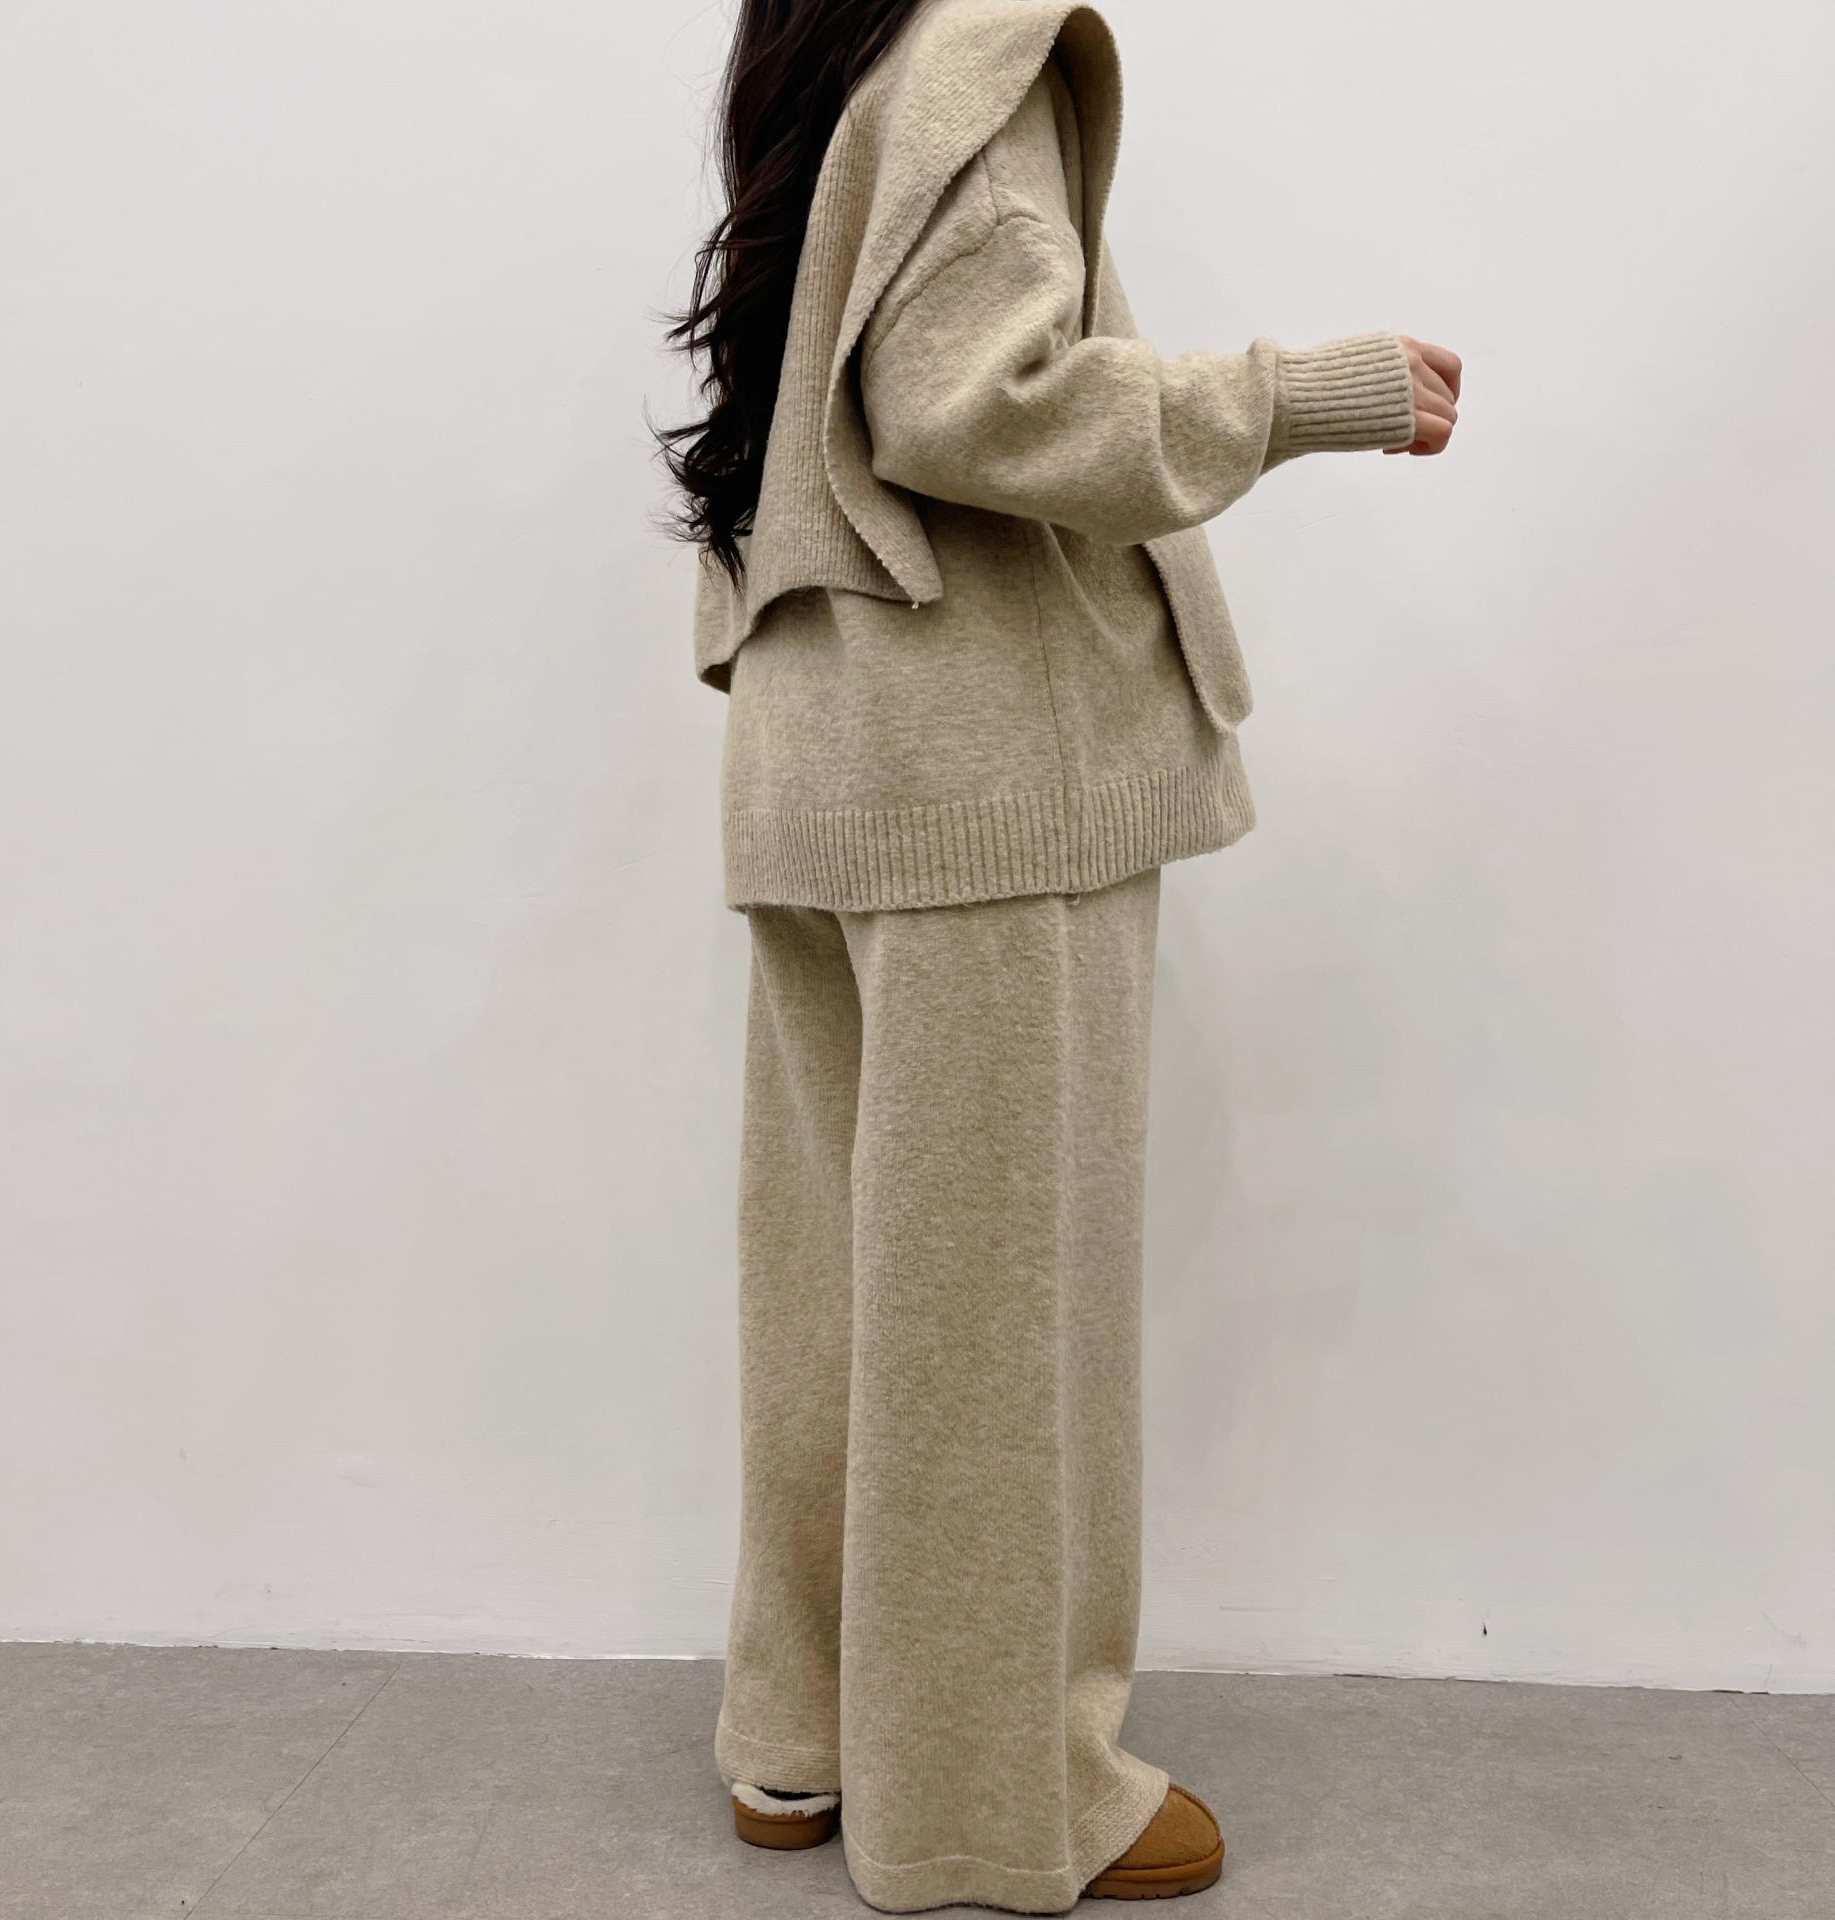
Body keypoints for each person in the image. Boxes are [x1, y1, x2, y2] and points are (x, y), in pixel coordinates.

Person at [652, 0, 1461, 1909]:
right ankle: (988, 1801)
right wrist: (1296, 394)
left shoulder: (822, 55)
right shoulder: (973, 49)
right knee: (989, 1329)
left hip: (832, 747)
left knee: (841, 1295)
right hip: (980, 776)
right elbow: (969, 398)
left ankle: (802, 1734)